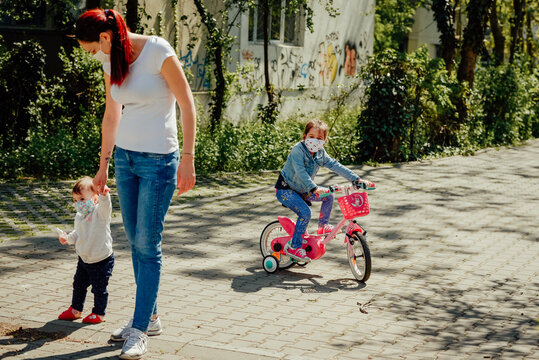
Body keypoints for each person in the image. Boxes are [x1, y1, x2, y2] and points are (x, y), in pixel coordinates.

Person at [74, 8, 196, 360]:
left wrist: (187, 159)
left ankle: (139, 329)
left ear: (106, 38)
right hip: (125, 160)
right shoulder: (111, 61)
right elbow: (112, 114)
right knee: (134, 239)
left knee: (147, 243)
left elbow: (187, 106)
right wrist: (103, 165)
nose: (92, 55)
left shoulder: (158, 51)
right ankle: (151, 316)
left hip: (159, 160)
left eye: (91, 49)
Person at [275, 119, 374, 262]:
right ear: (305, 136)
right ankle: (295, 247)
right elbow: (301, 172)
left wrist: (356, 179)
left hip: (304, 190)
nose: (315, 141)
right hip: (286, 190)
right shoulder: (298, 150)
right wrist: (314, 188)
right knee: (305, 213)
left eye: (319, 138)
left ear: (324, 141)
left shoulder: (320, 153)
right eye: (311, 137)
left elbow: (335, 165)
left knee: (329, 195)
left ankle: (322, 226)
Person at [57, 176, 114, 324]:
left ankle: (99, 313)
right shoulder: (79, 216)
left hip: (101, 259)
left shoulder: (100, 213)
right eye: (76, 200)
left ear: (95, 198)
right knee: (79, 285)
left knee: (99, 288)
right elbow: (78, 233)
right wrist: (68, 238)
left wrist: (104, 195)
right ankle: (76, 309)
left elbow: (105, 206)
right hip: (84, 258)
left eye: (82, 199)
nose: (79, 204)